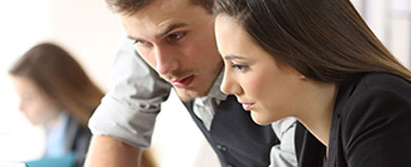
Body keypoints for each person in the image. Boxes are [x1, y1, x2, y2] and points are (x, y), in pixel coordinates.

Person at [213, 0, 411, 167]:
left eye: (240, 66)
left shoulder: (379, 109)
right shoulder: (308, 136)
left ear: (297, 56)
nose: (227, 86)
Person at [84, 0, 306, 166]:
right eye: (142, 43)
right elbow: (117, 130)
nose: (162, 67)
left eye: (177, 36)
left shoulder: (282, 52)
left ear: (222, 8)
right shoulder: (152, 33)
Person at [10, 43, 158, 167]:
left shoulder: (95, 127)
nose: (20, 108)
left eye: (28, 98)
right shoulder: (53, 126)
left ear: (54, 93)